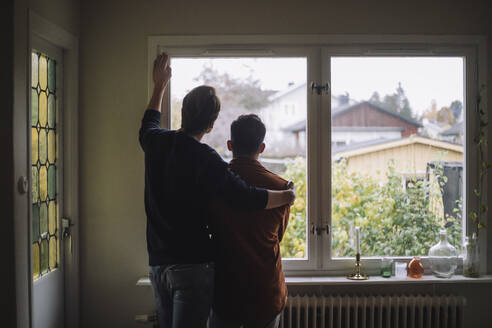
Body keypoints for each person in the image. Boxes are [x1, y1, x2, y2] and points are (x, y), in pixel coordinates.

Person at [139, 53, 296, 328]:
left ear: (183, 112)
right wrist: (287, 196)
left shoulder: (155, 141)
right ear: (211, 125)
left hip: (158, 264)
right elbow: (246, 196)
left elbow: (149, 121)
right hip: (193, 267)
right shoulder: (206, 159)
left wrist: (159, 85)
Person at [211, 114, 292, 328]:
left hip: (225, 291)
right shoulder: (281, 187)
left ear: (230, 145)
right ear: (262, 147)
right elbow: (279, 236)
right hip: (266, 292)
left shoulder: (214, 184)